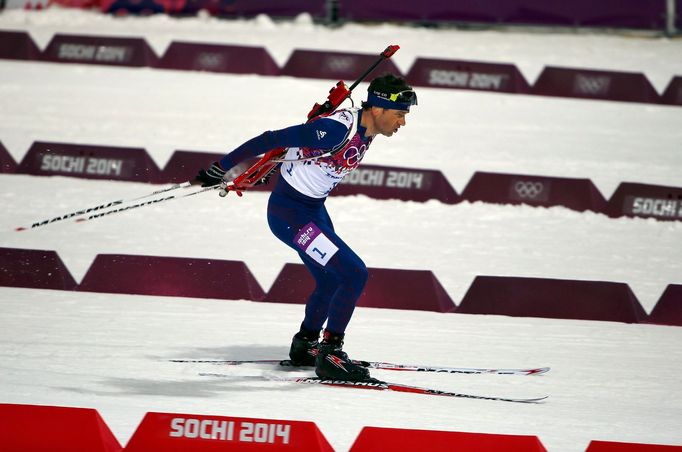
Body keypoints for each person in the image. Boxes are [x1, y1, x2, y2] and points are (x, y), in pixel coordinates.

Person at [193, 74, 417, 381]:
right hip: (290, 215)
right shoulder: (335, 130)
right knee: (353, 274)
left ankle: (306, 345)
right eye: (400, 114)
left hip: (312, 210)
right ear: (377, 109)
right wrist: (222, 167)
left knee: (330, 280)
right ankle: (331, 354)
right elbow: (270, 139)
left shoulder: (370, 125)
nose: (403, 122)